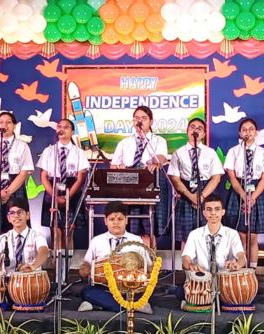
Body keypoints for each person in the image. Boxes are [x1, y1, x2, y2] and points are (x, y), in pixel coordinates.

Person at [78, 201, 152, 313]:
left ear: (126, 220)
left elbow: (148, 266)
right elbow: (87, 264)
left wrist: (148, 274)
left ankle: (102, 305)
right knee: (87, 292)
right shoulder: (96, 241)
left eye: (120, 219)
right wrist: (85, 269)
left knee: (148, 291)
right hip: (104, 288)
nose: (116, 223)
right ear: (105, 221)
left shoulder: (137, 241)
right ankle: (133, 306)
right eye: (112, 219)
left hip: (130, 289)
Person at [111, 105, 169, 246]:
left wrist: (154, 162)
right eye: (136, 118)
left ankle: (150, 264)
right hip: (129, 185)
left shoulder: (158, 141)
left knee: (150, 228)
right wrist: (119, 167)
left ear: (151, 122)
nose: (140, 121)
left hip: (151, 182)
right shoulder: (124, 142)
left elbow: (161, 158)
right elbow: (113, 165)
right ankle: (132, 262)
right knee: (133, 228)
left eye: (144, 118)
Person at [0, 111, 34, 255]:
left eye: (8, 122)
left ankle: (12, 265)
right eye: (1, 122)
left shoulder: (22, 146)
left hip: (14, 187)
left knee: (12, 230)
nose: (5, 125)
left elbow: (23, 173)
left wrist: (8, 192)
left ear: (14, 126)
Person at [178, 194, 247, 308]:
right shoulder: (195, 234)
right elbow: (185, 258)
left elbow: (241, 256)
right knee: (179, 292)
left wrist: (237, 264)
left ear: (223, 212)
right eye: (209, 210)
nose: (213, 213)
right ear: (204, 213)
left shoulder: (232, 234)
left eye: (217, 209)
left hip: (225, 283)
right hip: (202, 282)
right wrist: (190, 265)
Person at [224, 118, 264, 269]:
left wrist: (253, 197)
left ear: (256, 133)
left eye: (251, 129)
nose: (248, 132)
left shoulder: (263, 153)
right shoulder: (233, 152)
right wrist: (244, 195)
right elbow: (231, 176)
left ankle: (252, 271)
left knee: (253, 236)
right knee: (240, 235)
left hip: (256, 191)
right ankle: (240, 268)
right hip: (238, 190)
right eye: (244, 129)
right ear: (240, 133)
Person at [168, 118, 224, 247]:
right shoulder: (178, 153)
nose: (195, 130)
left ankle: (206, 265)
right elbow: (175, 179)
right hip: (186, 191)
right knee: (186, 236)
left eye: (199, 128)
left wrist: (201, 197)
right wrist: (191, 196)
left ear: (204, 134)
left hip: (206, 191)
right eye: (192, 127)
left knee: (208, 233)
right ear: (187, 131)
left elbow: (216, 177)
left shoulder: (210, 153)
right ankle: (186, 266)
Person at [37, 118, 89, 250]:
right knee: (55, 231)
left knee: (68, 231)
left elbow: (80, 178)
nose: (62, 129)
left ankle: (67, 267)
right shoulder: (49, 151)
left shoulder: (79, 153)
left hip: (71, 190)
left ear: (72, 132)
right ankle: (56, 266)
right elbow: (43, 176)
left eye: (66, 127)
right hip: (52, 189)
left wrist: (67, 197)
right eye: (59, 126)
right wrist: (55, 196)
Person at [0, 197, 50, 274]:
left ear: (28, 215)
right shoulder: (3, 238)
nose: (16, 216)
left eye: (20, 212)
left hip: (31, 280)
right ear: (8, 218)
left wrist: (33, 266)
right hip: (8, 280)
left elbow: (44, 252)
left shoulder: (37, 236)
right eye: (12, 213)